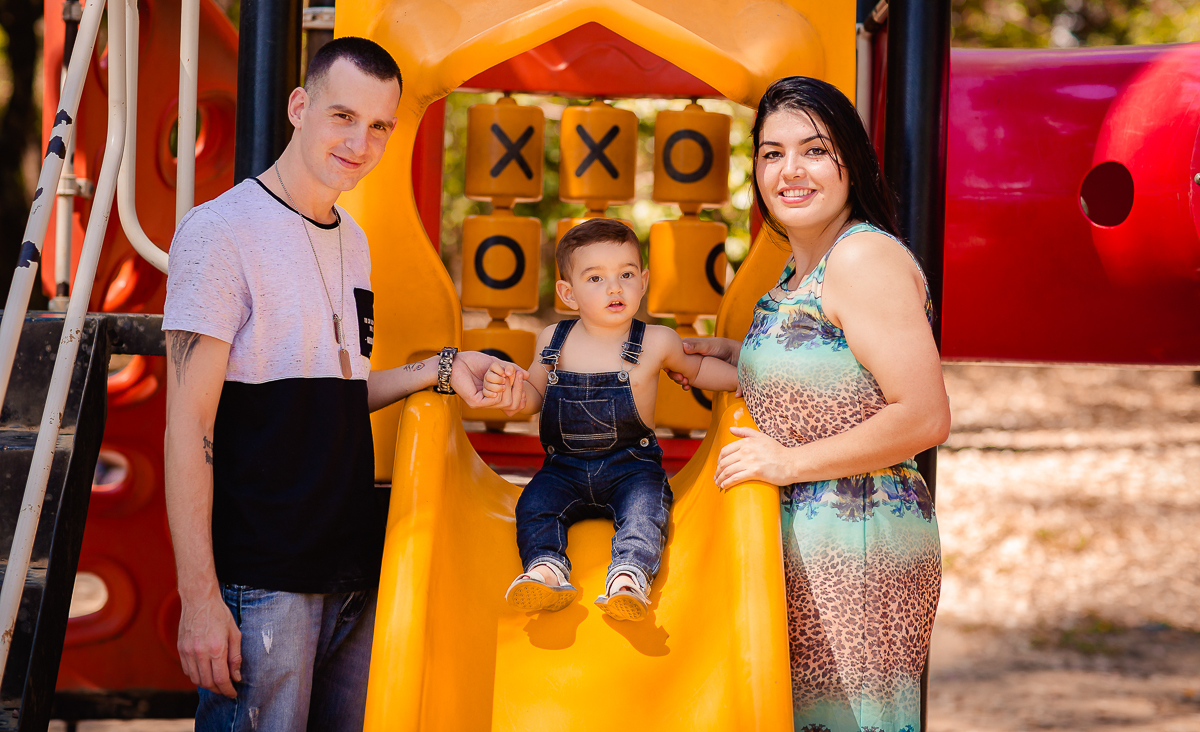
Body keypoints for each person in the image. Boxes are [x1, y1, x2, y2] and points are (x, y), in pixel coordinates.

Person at [162, 36, 521, 732]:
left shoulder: (352, 238)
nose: (361, 140)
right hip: (263, 577)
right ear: (300, 107)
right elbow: (188, 426)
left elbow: (328, 394)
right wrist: (200, 599)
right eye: (342, 116)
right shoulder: (220, 232)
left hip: (349, 569)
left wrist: (443, 369)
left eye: (380, 125)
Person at [674, 77, 949, 731]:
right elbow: (823, 372)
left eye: (813, 150)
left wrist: (786, 464)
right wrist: (712, 357)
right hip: (806, 551)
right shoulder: (802, 268)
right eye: (772, 153)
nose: (789, 170)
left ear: (849, 160)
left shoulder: (862, 259)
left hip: (855, 551)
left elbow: (924, 415)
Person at [490, 219, 738, 621]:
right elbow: (534, 396)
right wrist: (513, 398)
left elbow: (699, 371)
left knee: (645, 511)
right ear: (568, 293)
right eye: (595, 278)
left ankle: (629, 575)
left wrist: (748, 377)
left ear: (643, 281)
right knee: (533, 504)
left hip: (630, 467)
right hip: (563, 468)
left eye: (625, 274)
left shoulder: (658, 341)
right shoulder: (553, 339)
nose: (614, 288)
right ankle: (546, 568)